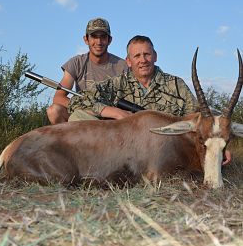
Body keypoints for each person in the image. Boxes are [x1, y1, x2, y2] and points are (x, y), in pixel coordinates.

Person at [68, 35, 231, 165]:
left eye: (147, 54)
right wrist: (114, 112)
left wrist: (218, 143)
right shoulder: (117, 83)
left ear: (155, 56)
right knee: (78, 117)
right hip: (125, 148)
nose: (143, 60)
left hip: (166, 152)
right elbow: (78, 101)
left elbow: (202, 117)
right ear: (129, 61)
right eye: (137, 56)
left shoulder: (176, 84)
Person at [46, 17, 128, 125]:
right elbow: (59, 97)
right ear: (86, 39)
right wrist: (92, 108)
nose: (98, 42)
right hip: (84, 116)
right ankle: (69, 142)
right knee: (54, 111)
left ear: (109, 40)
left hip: (111, 121)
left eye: (103, 37)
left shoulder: (123, 66)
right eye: (94, 36)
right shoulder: (76, 63)